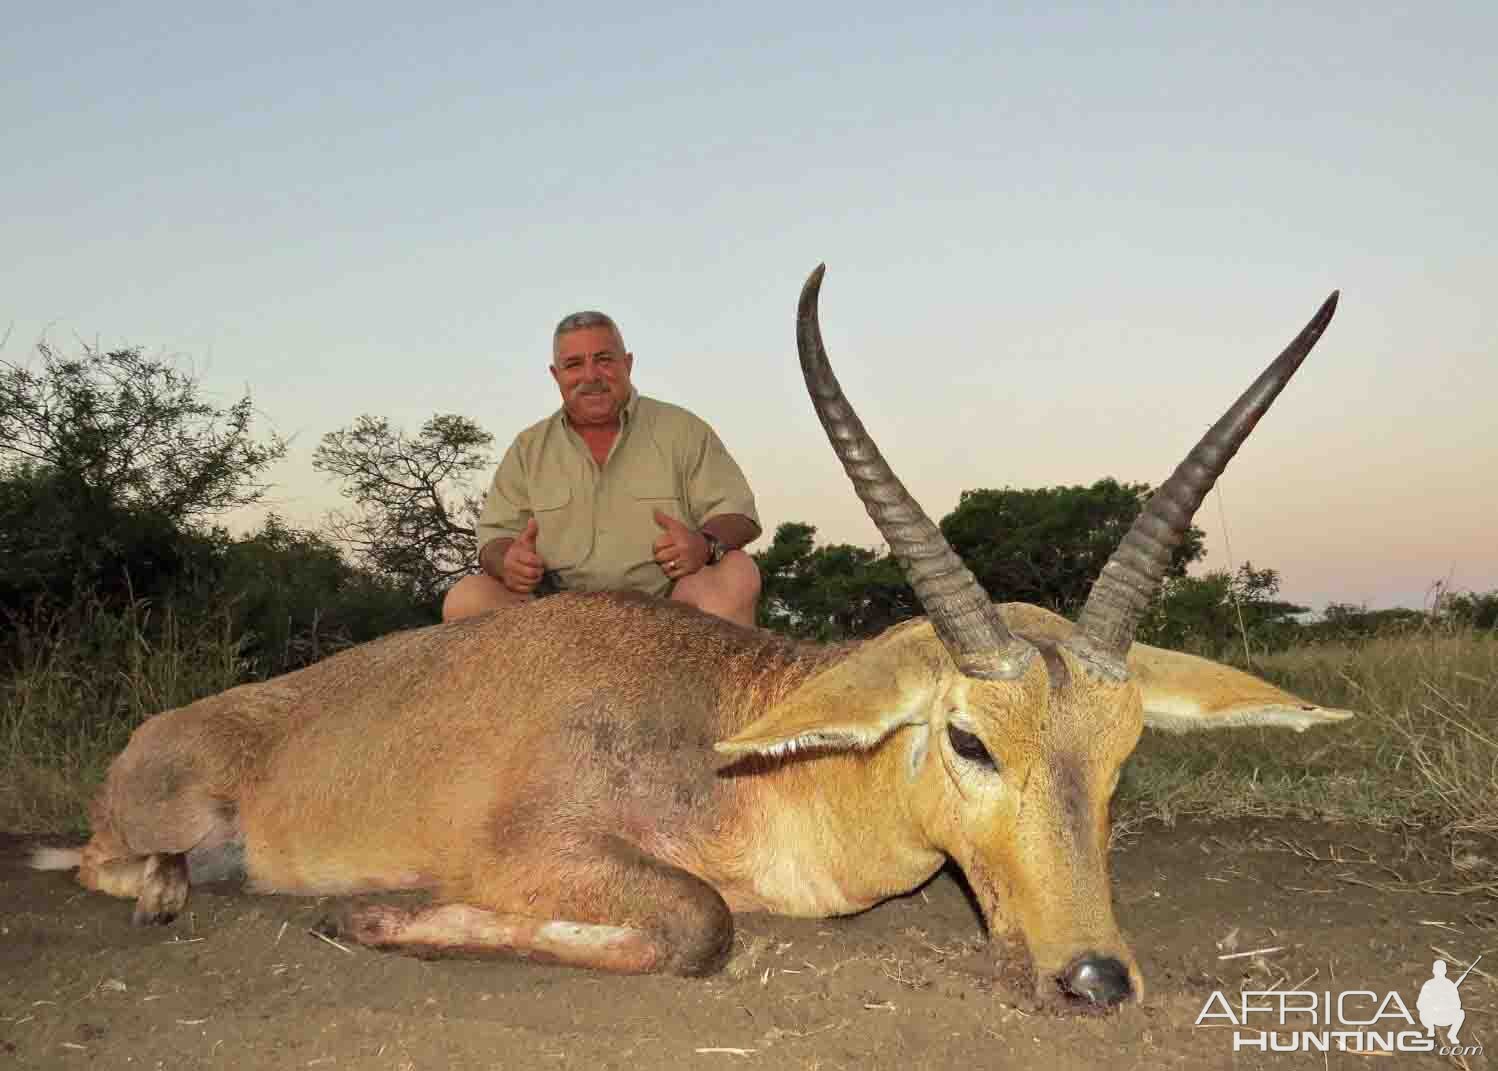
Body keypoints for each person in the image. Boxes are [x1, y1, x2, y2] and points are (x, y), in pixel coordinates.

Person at [442, 310, 762, 627]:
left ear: (629, 364)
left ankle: (702, 678)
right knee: (468, 598)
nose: (591, 376)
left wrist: (704, 544)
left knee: (737, 573)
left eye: (604, 359)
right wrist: (507, 561)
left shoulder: (684, 430)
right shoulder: (528, 448)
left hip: (668, 615)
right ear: (556, 376)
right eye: (574, 365)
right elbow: (494, 537)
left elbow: (738, 514)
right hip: (551, 623)